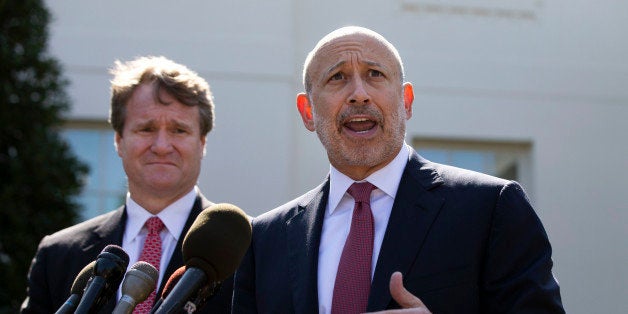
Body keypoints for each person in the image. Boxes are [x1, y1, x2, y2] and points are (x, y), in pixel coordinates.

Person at [232, 26, 565, 313]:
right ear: (307, 111)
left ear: (406, 101)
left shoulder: (491, 208)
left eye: (375, 75)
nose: (359, 94)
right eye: (337, 78)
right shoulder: (263, 240)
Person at [21, 56, 232, 313]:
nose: (162, 146)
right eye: (146, 129)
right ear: (119, 140)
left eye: (179, 130)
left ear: (202, 143)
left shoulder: (249, 252)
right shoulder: (58, 255)